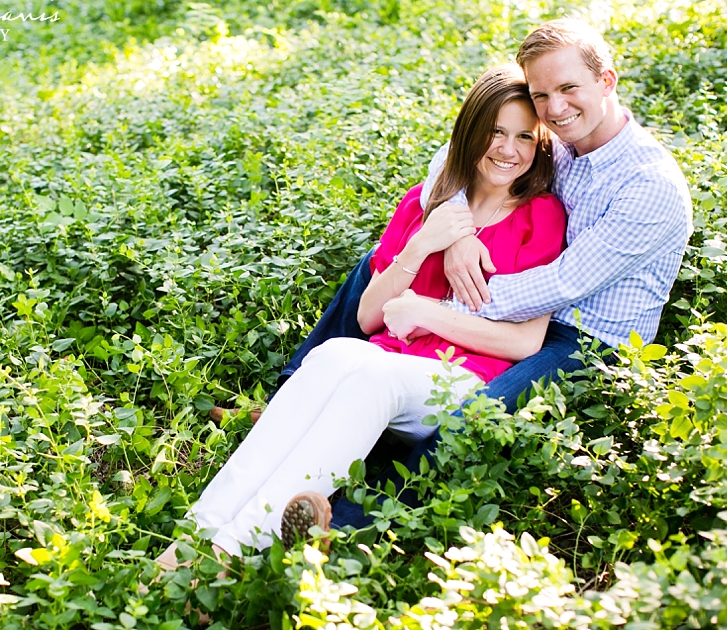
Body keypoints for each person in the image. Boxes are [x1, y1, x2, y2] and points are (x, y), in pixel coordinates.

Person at [281, 18, 694, 529]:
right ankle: (297, 392)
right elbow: (449, 160)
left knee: (474, 416)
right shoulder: (557, 140)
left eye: (569, 89)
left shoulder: (649, 185)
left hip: (583, 338)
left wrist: (443, 305)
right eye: (542, 95)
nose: (556, 108)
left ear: (606, 82)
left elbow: (560, 284)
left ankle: (344, 527)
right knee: (381, 264)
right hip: (511, 292)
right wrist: (457, 237)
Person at [158, 63, 566, 565]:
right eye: (495, 132)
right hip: (385, 363)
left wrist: (423, 310)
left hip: (460, 381)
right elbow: (372, 317)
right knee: (333, 354)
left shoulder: (540, 215)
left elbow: (525, 343)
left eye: (526, 136)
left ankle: (229, 552)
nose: (509, 149)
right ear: (469, 132)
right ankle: (194, 537)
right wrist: (420, 246)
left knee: (373, 374)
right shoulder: (424, 203)